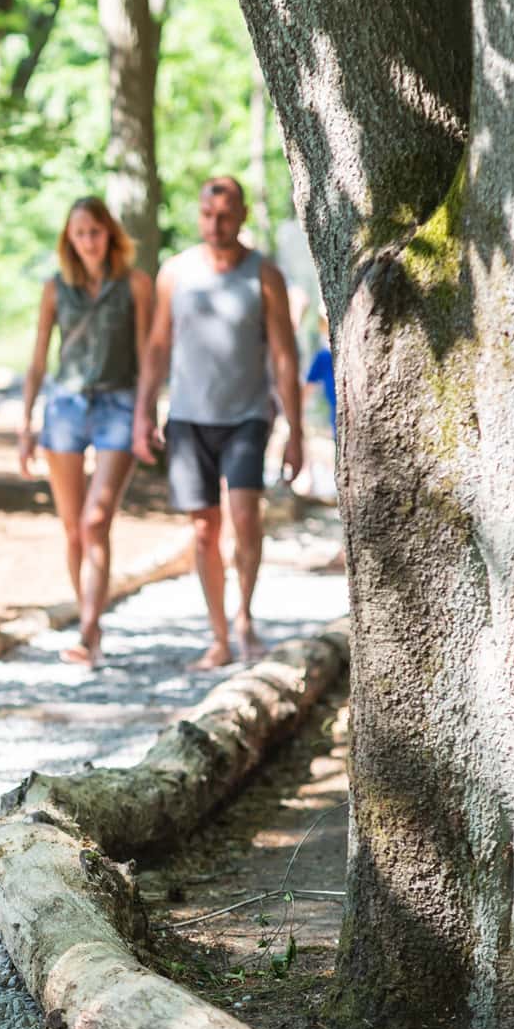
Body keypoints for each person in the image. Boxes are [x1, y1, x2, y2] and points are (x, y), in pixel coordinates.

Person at [133, 176, 304, 669]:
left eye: (226, 215)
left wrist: (294, 431)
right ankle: (219, 635)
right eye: (208, 214)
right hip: (188, 417)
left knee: (245, 517)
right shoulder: (176, 272)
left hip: (248, 414)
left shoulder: (263, 274)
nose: (216, 224)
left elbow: (285, 356)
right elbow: (158, 345)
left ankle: (245, 617)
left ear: (243, 215)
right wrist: (145, 411)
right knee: (204, 529)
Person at [17, 197, 152, 666]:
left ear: (110, 234)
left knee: (97, 520)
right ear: (69, 240)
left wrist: (145, 414)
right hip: (65, 407)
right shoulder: (56, 289)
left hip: (118, 403)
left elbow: (147, 355)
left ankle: (89, 628)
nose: (89, 240)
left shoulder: (135, 285)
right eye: (80, 233)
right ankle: (89, 627)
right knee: (74, 530)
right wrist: (26, 423)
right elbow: (37, 361)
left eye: (95, 231)